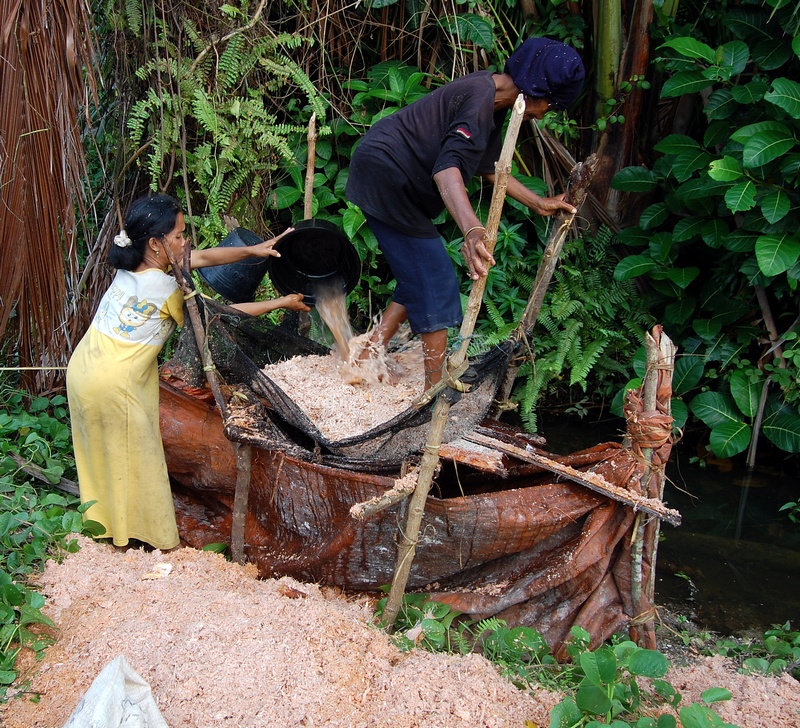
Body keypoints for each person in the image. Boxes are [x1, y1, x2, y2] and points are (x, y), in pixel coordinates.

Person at [66, 193, 311, 551]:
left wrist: (256, 250)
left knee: (103, 453)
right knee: (141, 457)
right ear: (155, 243)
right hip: (113, 383)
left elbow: (204, 257)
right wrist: (282, 302)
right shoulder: (166, 289)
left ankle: (106, 528)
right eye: (179, 236)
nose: (185, 242)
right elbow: (223, 316)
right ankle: (157, 541)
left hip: (83, 370)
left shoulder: (132, 268)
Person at [346, 37, 585, 390]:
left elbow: (488, 165)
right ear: (538, 93)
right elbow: (448, 169)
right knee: (436, 277)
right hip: (386, 174)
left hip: (384, 173)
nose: (544, 113)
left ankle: (368, 352)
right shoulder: (479, 100)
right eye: (550, 105)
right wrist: (472, 230)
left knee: (418, 273)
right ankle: (434, 391)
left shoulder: (493, 101)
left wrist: (537, 202)